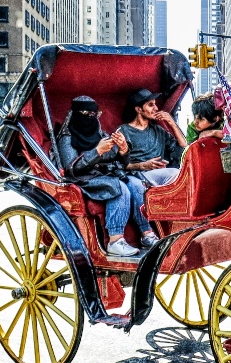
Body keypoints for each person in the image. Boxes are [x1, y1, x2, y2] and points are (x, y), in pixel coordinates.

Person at [57, 96, 159, 258]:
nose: (90, 118)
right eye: (85, 113)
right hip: (82, 179)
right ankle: (115, 240)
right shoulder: (67, 138)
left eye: (93, 113)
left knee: (136, 183)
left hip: (106, 173)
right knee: (118, 187)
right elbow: (72, 168)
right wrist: (97, 151)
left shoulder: (99, 132)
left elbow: (119, 160)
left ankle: (147, 233)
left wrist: (123, 150)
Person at [120, 88, 188, 185]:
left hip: (160, 175)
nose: (156, 108)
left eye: (155, 104)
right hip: (137, 176)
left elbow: (183, 145)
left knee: (181, 175)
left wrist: (172, 123)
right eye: (151, 105)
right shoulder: (124, 131)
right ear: (139, 109)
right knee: (175, 174)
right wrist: (142, 165)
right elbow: (117, 164)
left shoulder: (158, 130)